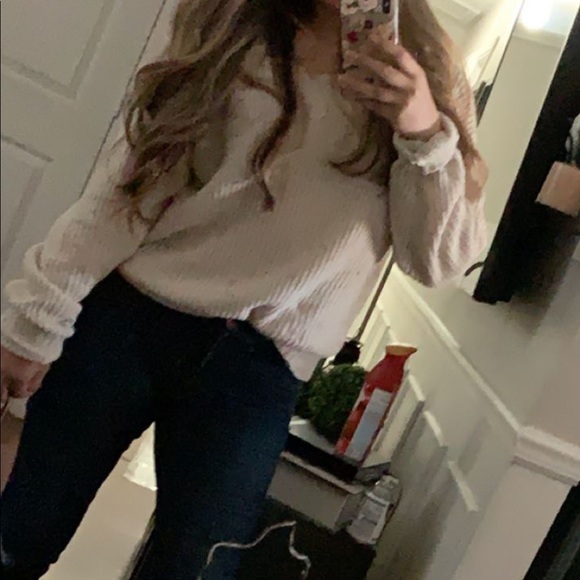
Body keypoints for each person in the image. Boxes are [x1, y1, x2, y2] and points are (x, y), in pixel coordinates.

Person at [0, 0, 487, 578]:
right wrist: (37, 317)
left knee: (195, 569)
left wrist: (423, 130)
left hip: (261, 369)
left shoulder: (430, 67)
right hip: (129, 321)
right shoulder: (231, 21)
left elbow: (437, 262)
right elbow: (131, 187)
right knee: (16, 536)